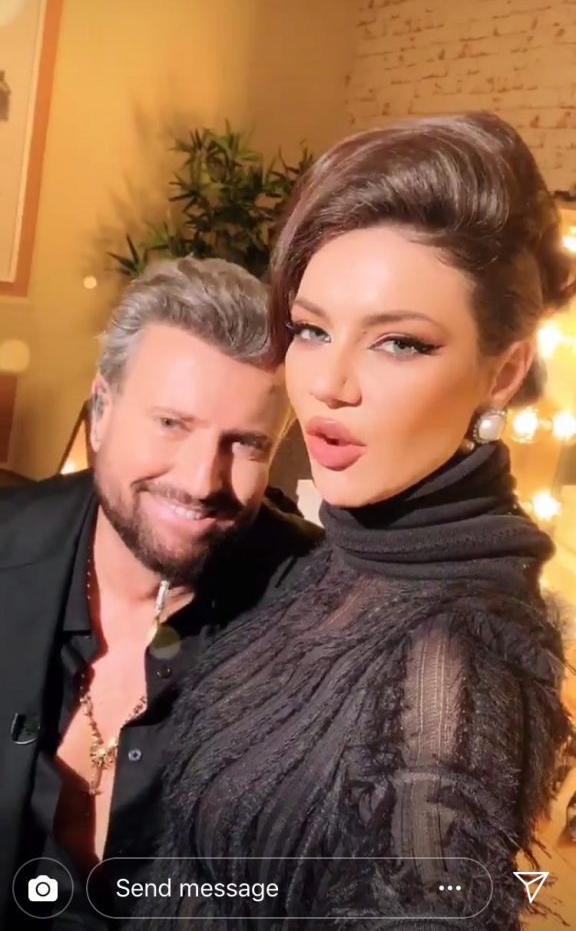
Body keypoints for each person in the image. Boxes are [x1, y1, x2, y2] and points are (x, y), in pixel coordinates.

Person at [131, 113, 576, 930]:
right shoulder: (348, 550)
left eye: (398, 343)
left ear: (503, 371)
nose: (328, 384)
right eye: (312, 329)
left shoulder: (454, 661)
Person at [0, 257, 320, 928]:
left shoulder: (318, 612)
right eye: (172, 423)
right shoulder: (8, 549)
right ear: (101, 411)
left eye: (246, 444)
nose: (202, 480)